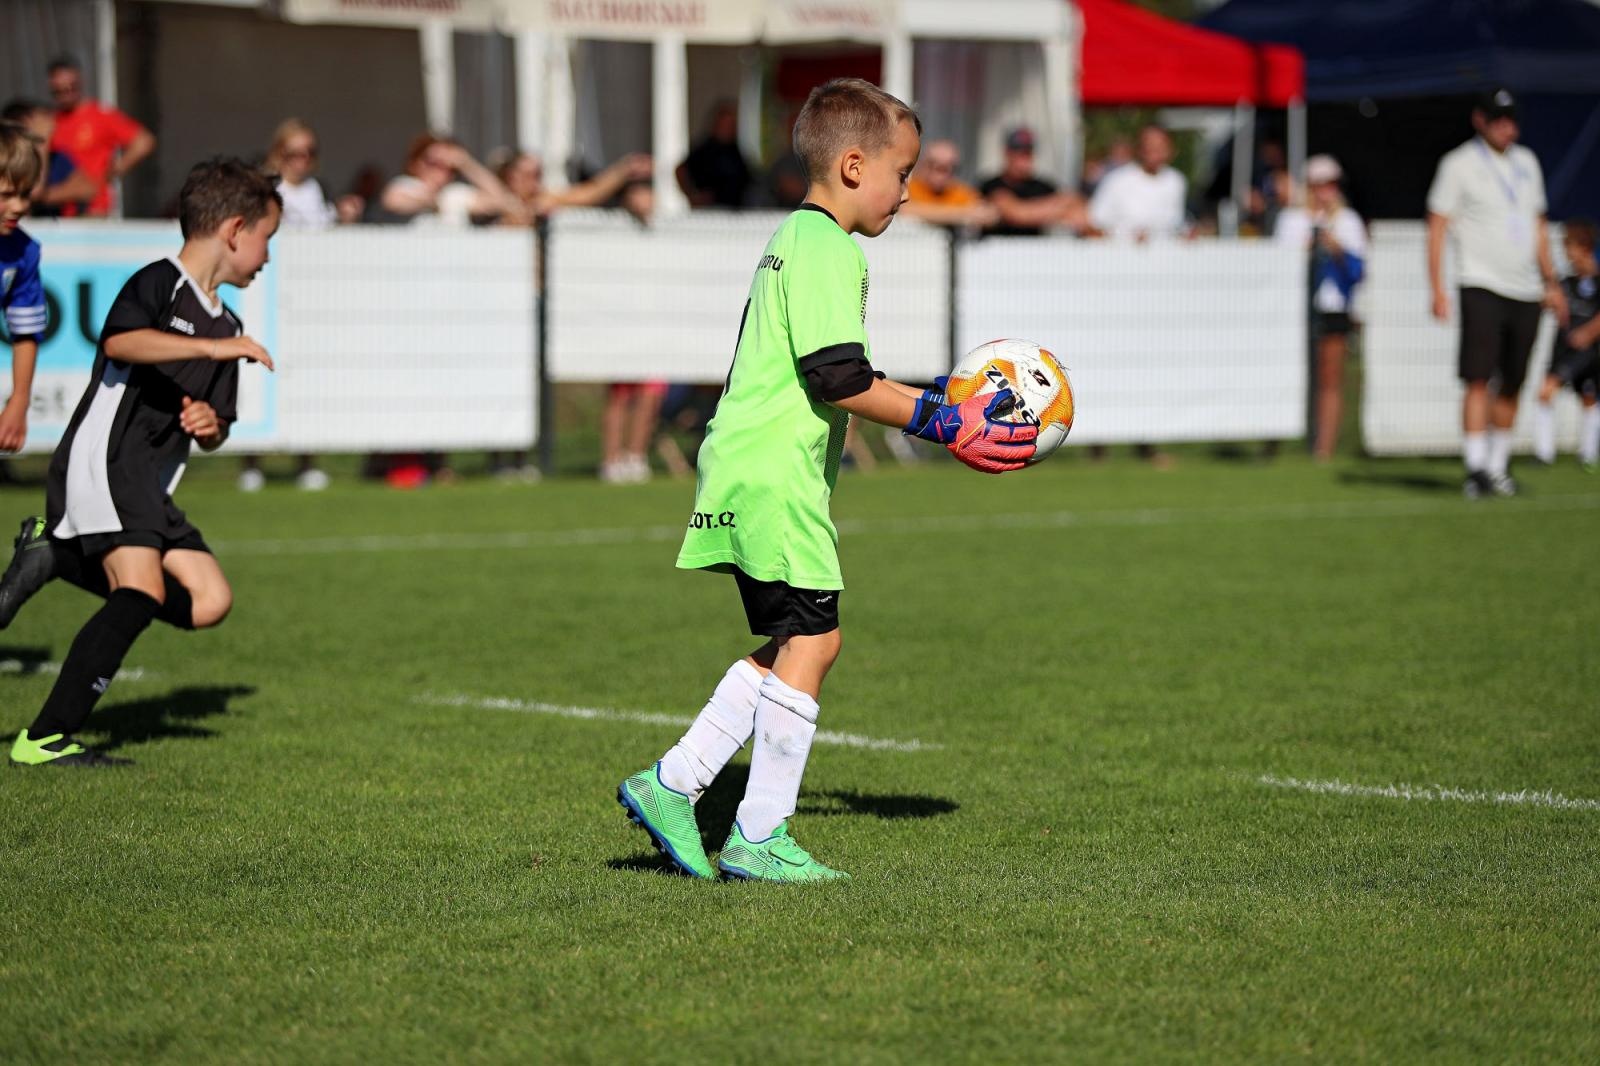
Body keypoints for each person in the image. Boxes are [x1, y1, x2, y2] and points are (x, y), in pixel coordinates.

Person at [616, 78, 1036, 883]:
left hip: (752, 465)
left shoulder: (797, 238)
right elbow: (839, 376)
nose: (908, 193)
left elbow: (838, 370)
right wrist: (942, 420)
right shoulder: (826, 248)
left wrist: (935, 402)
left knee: (793, 642)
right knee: (818, 638)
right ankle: (758, 834)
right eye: (901, 173)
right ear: (852, 166)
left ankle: (671, 784)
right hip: (774, 473)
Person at [0, 157, 278, 767]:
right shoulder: (161, 283)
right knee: (141, 589)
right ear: (234, 231)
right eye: (266, 239)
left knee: (209, 601)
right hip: (108, 460)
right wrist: (212, 345)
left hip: (148, 483)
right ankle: (45, 738)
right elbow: (121, 340)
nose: (265, 256)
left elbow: (216, 427)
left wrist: (209, 427)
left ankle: (57, 554)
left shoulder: (228, 324)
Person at [1427, 88, 1567, 499]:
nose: (1507, 127)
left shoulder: (1527, 162)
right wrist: (1437, 286)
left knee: (1513, 380)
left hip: (1525, 288)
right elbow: (1437, 226)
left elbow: (1539, 227)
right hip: (1480, 282)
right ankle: (1475, 470)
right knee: (1477, 376)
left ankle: (1498, 466)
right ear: (1480, 120)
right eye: (1498, 119)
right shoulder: (1458, 164)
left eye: (1511, 119)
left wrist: (1551, 282)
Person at [237, 119, 339, 494]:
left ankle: (307, 459)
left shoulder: (318, 190)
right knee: (258, 367)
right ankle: (252, 460)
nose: (301, 161)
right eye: (293, 153)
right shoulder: (264, 189)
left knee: (310, 374)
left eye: (309, 153)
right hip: (269, 287)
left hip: (312, 292)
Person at [1274, 155, 1368, 461]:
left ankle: (1323, 447)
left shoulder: (1348, 221)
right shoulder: (1291, 219)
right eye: (1319, 185)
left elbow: (1358, 271)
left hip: (1332, 306)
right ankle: (1278, 440)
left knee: (1330, 375)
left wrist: (1335, 248)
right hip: (1295, 308)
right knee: (1289, 373)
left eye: (1330, 185)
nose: (1324, 192)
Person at [46, 55, 155, 218]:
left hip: (93, 208)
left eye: (71, 88)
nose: (66, 94)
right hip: (59, 209)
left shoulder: (99, 115)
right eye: (59, 91)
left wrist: (117, 169)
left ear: (80, 83)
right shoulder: (51, 121)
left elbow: (143, 141)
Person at [1532, 219, 1600, 470]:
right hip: (1563, 350)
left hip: (1588, 352)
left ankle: (1588, 454)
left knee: (1589, 398)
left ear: (1585, 247)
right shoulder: (1565, 282)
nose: (1567, 254)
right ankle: (1543, 453)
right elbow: (1549, 302)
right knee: (1545, 392)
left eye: (1569, 247)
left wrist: (1588, 333)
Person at [1, 123, 46, 455]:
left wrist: (19, 400)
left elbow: (25, 333)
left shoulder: (24, 252)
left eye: (25, 194)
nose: (18, 206)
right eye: (6, 195)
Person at [379, 134, 520, 227]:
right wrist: (432, 201)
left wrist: (466, 163)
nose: (440, 170)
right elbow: (393, 201)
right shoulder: (405, 185)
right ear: (416, 163)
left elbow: (501, 201)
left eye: (447, 165)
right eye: (433, 162)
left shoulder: (455, 194)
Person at [1087, 124, 1187, 242]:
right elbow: (1095, 222)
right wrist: (1127, 237)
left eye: (1159, 147)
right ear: (1139, 149)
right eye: (1149, 146)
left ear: (1170, 150)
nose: (1153, 152)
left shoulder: (1176, 181)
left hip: (1165, 255)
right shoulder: (1116, 180)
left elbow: (1175, 223)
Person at [979, 127, 1084, 236]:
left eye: (1028, 154)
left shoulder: (1042, 186)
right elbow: (1016, 214)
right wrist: (1055, 208)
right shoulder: (991, 185)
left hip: (1033, 251)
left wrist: (1033, 211)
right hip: (996, 250)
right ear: (1007, 154)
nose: (1024, 161)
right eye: (1019, 154)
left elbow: (1075, 204)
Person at [1, 99, 96, 217]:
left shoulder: (57, 157)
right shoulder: (7, 156)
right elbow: (35, 190)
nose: (52, 125)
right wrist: (42, 142)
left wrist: (44, 196)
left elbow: (88, 189)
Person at [902, 138, 998, 231]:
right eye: (939, 168)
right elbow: (904, 211)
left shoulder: (959, 191)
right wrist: (961, 214)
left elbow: (989, 215)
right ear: (924, 166)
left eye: (951, 169)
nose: (944, 175)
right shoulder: (908, 187)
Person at [676, 100, 753, 209]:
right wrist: (693, 196)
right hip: (710, 212)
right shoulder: (705, 150)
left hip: (735, 211)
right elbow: (680, 170)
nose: (729, 127)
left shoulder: (735, 150)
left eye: (732, 124)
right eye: (726, 123)